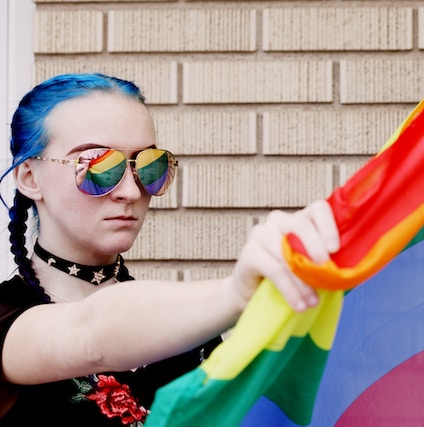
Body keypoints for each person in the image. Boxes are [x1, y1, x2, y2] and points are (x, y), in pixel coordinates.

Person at [0, 73, 339, 426]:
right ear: (29, 177)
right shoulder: (7, 320)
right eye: (99, 166)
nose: (131, 192)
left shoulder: (191, 330)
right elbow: (91, 334)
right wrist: (236, 293)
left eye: (149, 166)